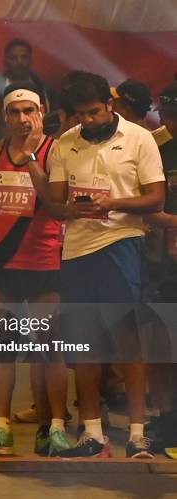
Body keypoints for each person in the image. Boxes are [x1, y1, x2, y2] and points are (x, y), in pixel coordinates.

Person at [41, 72, 165, 458]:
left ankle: (137, 434)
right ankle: (92, 432)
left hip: (121, 244)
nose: (88, 121)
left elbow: (156, 199)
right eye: (81, 115)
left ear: (110, 104)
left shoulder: (140, 138)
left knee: (128, 339)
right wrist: (69, 208)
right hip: (77, 250)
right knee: (85, 342)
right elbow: (55, 204)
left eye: (94, 112)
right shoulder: (65, 143)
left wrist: (113, 204)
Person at [0, 82, 68, 456]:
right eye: (15, 112)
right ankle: (2, 428)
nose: (23, 119)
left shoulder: (55, 151)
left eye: (29, 111)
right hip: (2, 264)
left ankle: (55, 426)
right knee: (2, 349)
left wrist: (29, 159)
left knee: (50, 348)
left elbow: (56, 203)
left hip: (44, 263)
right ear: (5, 116)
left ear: (41, 112)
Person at [143, 81, 177, 453]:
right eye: (167, 114)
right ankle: (167, 415)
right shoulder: (156, 147)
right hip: (163, 266)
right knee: (164, 344)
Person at [0, 39, 58, 142]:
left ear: (31, 60)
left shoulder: (47, 93)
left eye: (24, 57)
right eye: (13, 58)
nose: (19, 62)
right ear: (5, 61)